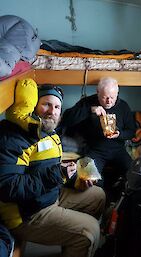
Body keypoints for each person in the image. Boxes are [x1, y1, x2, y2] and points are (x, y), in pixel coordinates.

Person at [0, 84, 106, 257]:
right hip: (27, 213)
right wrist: (57, 174)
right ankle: (79, 239)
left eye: (57, 107)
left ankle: (70, 243)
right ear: (34, 105)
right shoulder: (15, 137)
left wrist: (75, 179)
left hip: (46, 196)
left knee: (97, 195)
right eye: (46, 104)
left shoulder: (47, 132)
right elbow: (8, 187)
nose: (52, 111)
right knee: (89, 231)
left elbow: (49, 170)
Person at [59, 77, 136, 187]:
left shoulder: (123, 106)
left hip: (118, 150)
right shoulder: (87, 102)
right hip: (94, 150)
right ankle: (101, 198)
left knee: (134, 174)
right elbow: (67, 119)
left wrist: (120, 135)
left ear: (117, 93)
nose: (109, 101)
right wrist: (90, 110)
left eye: (112, 97)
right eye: (105, 97)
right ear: (97, 92)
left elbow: (131, 131)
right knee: (92, 179)